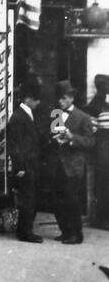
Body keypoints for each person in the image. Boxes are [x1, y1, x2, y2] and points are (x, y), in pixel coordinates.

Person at [51, 80, 96, 245]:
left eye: (63, 98)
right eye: (58, 99)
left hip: (74, 165)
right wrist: (56, 139)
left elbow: (90, 142)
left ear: (71, 98)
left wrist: (72, 139)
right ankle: (65, 231)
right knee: (56, 199)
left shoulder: (83, 117)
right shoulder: (56, 114)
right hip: (58, 164)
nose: (60, 102)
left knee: (72, 199)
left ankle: (77, 234)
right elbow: (53, 135)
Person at [6, 81, 43, 243]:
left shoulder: (25, 114)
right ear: (28, 99)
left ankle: (26, 230)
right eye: (36, 100)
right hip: (25, 166)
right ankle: (25, 232)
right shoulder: (18, 117)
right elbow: (14, 144)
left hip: (30, 164)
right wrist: (19, 166)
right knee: (27, 199)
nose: (38, 103)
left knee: (30, 198)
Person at [87, 74, 109, 229]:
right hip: (103, 142)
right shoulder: (97, 103)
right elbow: (92, 125)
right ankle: (102, 219)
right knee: (103, 181)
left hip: (103, 142)